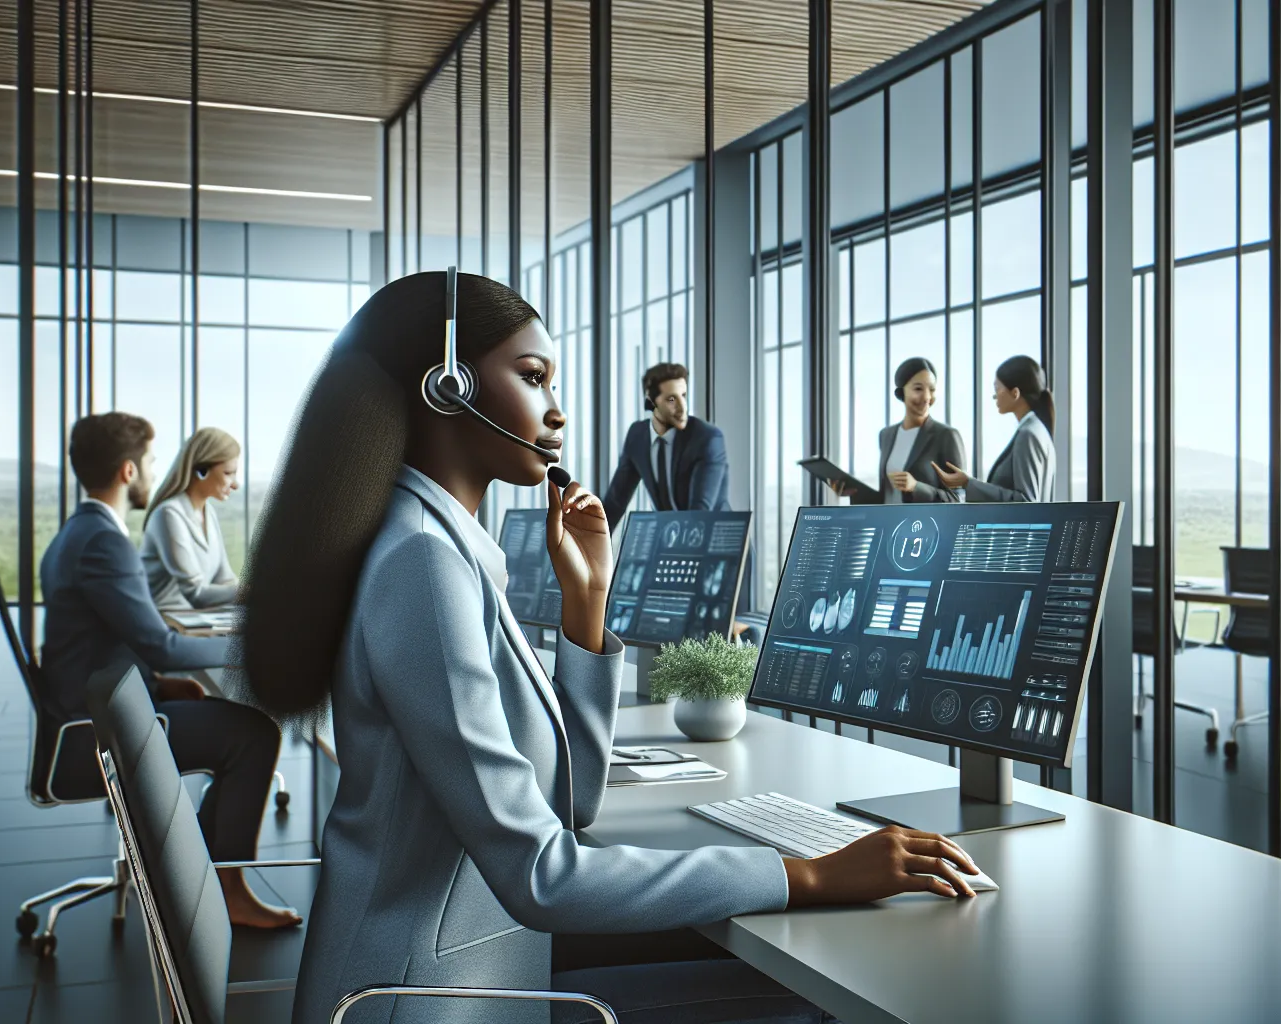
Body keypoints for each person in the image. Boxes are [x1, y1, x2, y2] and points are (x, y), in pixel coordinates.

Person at [241, 273, 979, 1024]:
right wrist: (810, 876)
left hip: (475, 961)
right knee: (812, 1001)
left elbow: (569, 803)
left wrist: (586, 602)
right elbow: (541, 873)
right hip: (430, 998)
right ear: (447, 387)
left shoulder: (439, 548)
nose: (557, 413)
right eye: (532, 379)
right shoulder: (422, 565)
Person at [38, 412, 299, 929]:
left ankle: (196, 874)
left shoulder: (78, 531)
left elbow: (101, 641)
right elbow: (158, 645)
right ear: (129, 472)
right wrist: (254, 647)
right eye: (152, 462)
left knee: (234, 722)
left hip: (92, 709)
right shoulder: (103, 542)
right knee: (253, 735)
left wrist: (159, 683)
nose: (156, 472)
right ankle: (225, 890)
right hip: (98, 733)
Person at [828, 356, 965, 505]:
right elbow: (887, 496)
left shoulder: (946, 436)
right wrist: (853, 492)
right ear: (901, 392)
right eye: (918, 389)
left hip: (924, 526)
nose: (927, 397)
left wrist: (916, 487)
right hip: (890, 525)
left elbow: (959, 498)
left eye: (932, 389)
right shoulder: (886, 435)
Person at [602, 361, 730, 518]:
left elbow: (699, 513)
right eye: (671, 399)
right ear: (651, 402)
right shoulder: (637, 436)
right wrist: (586, 541)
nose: (683, 407)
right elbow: (615, 502)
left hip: (715, 538)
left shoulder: (706, 438)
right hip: (674, 536)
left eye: (683, 396)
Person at [140, 426, 243, 610]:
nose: (235, 484)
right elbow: (196, 594)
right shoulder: (169, 514)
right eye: (228, 473)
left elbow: (224, 579)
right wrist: (255, 592)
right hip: (168, 623)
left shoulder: (208, 513)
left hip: (195, 621)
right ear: (201, 470)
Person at [934, 354, 1056, 503]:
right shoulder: (1037, 429)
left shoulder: (1028, 434)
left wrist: (967, 483)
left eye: (997, 388)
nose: (994, 396)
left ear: (1015, 393)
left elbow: (1026, 501)